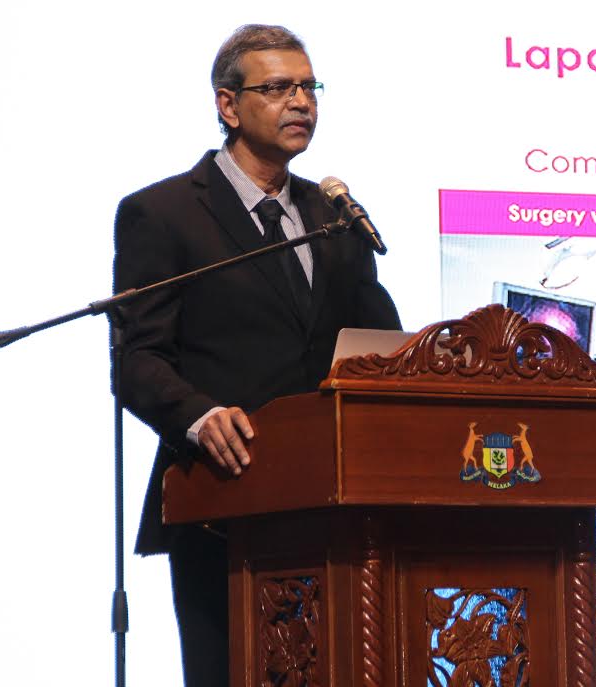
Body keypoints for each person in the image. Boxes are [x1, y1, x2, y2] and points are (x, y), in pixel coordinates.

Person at [112, 25, 401, 686]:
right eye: (277, 88)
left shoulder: (334, 215)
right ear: (229, 105)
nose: (300, 102)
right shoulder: (163, 213)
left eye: (309, 87)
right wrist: (197, 415)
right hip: (222, 500)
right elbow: (137, 358)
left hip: (332, 509)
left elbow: (380, 345)